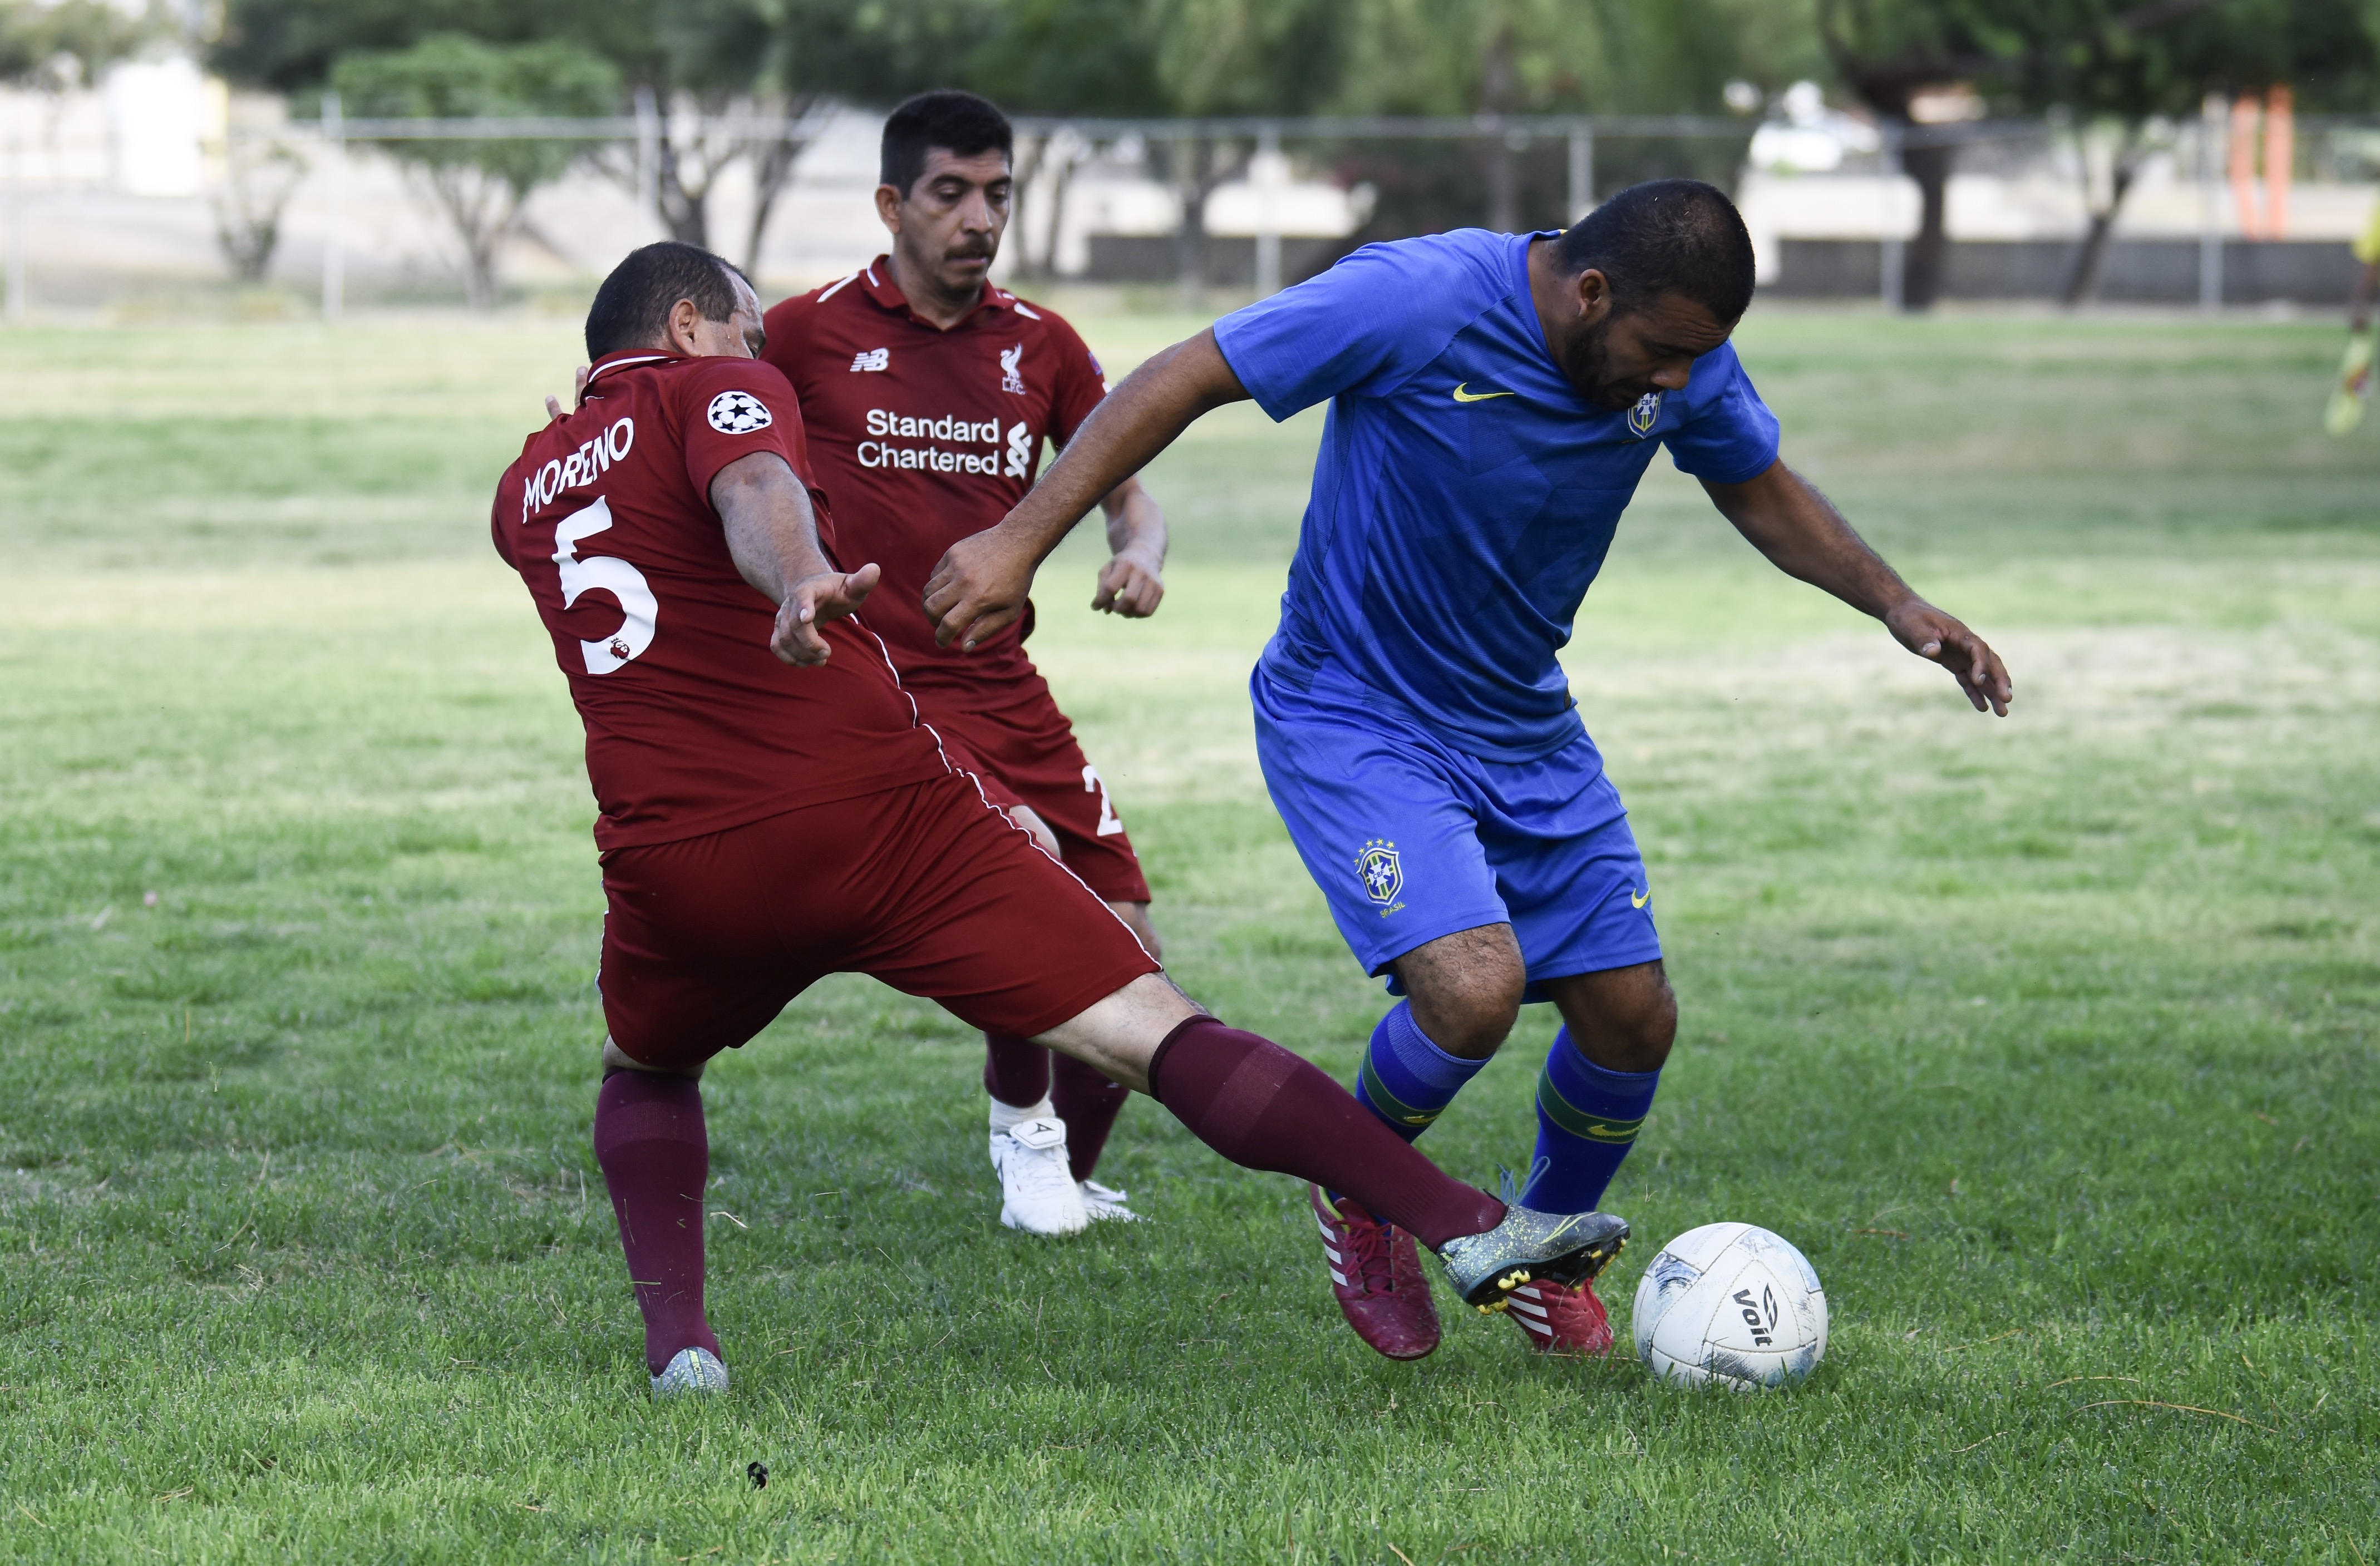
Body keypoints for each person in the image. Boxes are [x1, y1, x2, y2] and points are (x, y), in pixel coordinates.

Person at [491, 239, 1627, 1398]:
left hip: (672, 859)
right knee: (1157, 1029)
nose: (756, 353)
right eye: (742, 330)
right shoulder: (719, 385)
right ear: (687, 328)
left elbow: (632, 497)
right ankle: (1465, 1218)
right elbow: (754, 487)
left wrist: (602, 432)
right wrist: (794, 575)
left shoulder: (524, 483)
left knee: (645, 1068)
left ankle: (682, 1348)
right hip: (872, 818)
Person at [922, 180, 2014, 1363]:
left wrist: (1897, 602)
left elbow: (1752, 480)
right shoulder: (1420, 296)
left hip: (1524, 722)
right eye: (1662, 354)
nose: (1679, 385)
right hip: (1355, 709)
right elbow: (1190, 372)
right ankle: (1363, 1191)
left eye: (1699, 362)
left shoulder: (1677, 360)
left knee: (1633, 1020)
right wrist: (1022, 536)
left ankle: (1542, 1242)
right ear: (1591, 292)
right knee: (1473, 989)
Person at [757, 91, 1167, 1238]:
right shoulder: (804, 334)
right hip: (880, 694)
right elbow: (709, 433)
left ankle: (1064, 1172)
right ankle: (1024, 1137)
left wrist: (1139, 552)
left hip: (1005, 684)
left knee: (1130, 934)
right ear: (892, 204)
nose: (978, 216)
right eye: (950, 192)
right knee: (1024, 887)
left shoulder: (1042, 345)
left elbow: (1130, 485)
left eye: (997, 193)